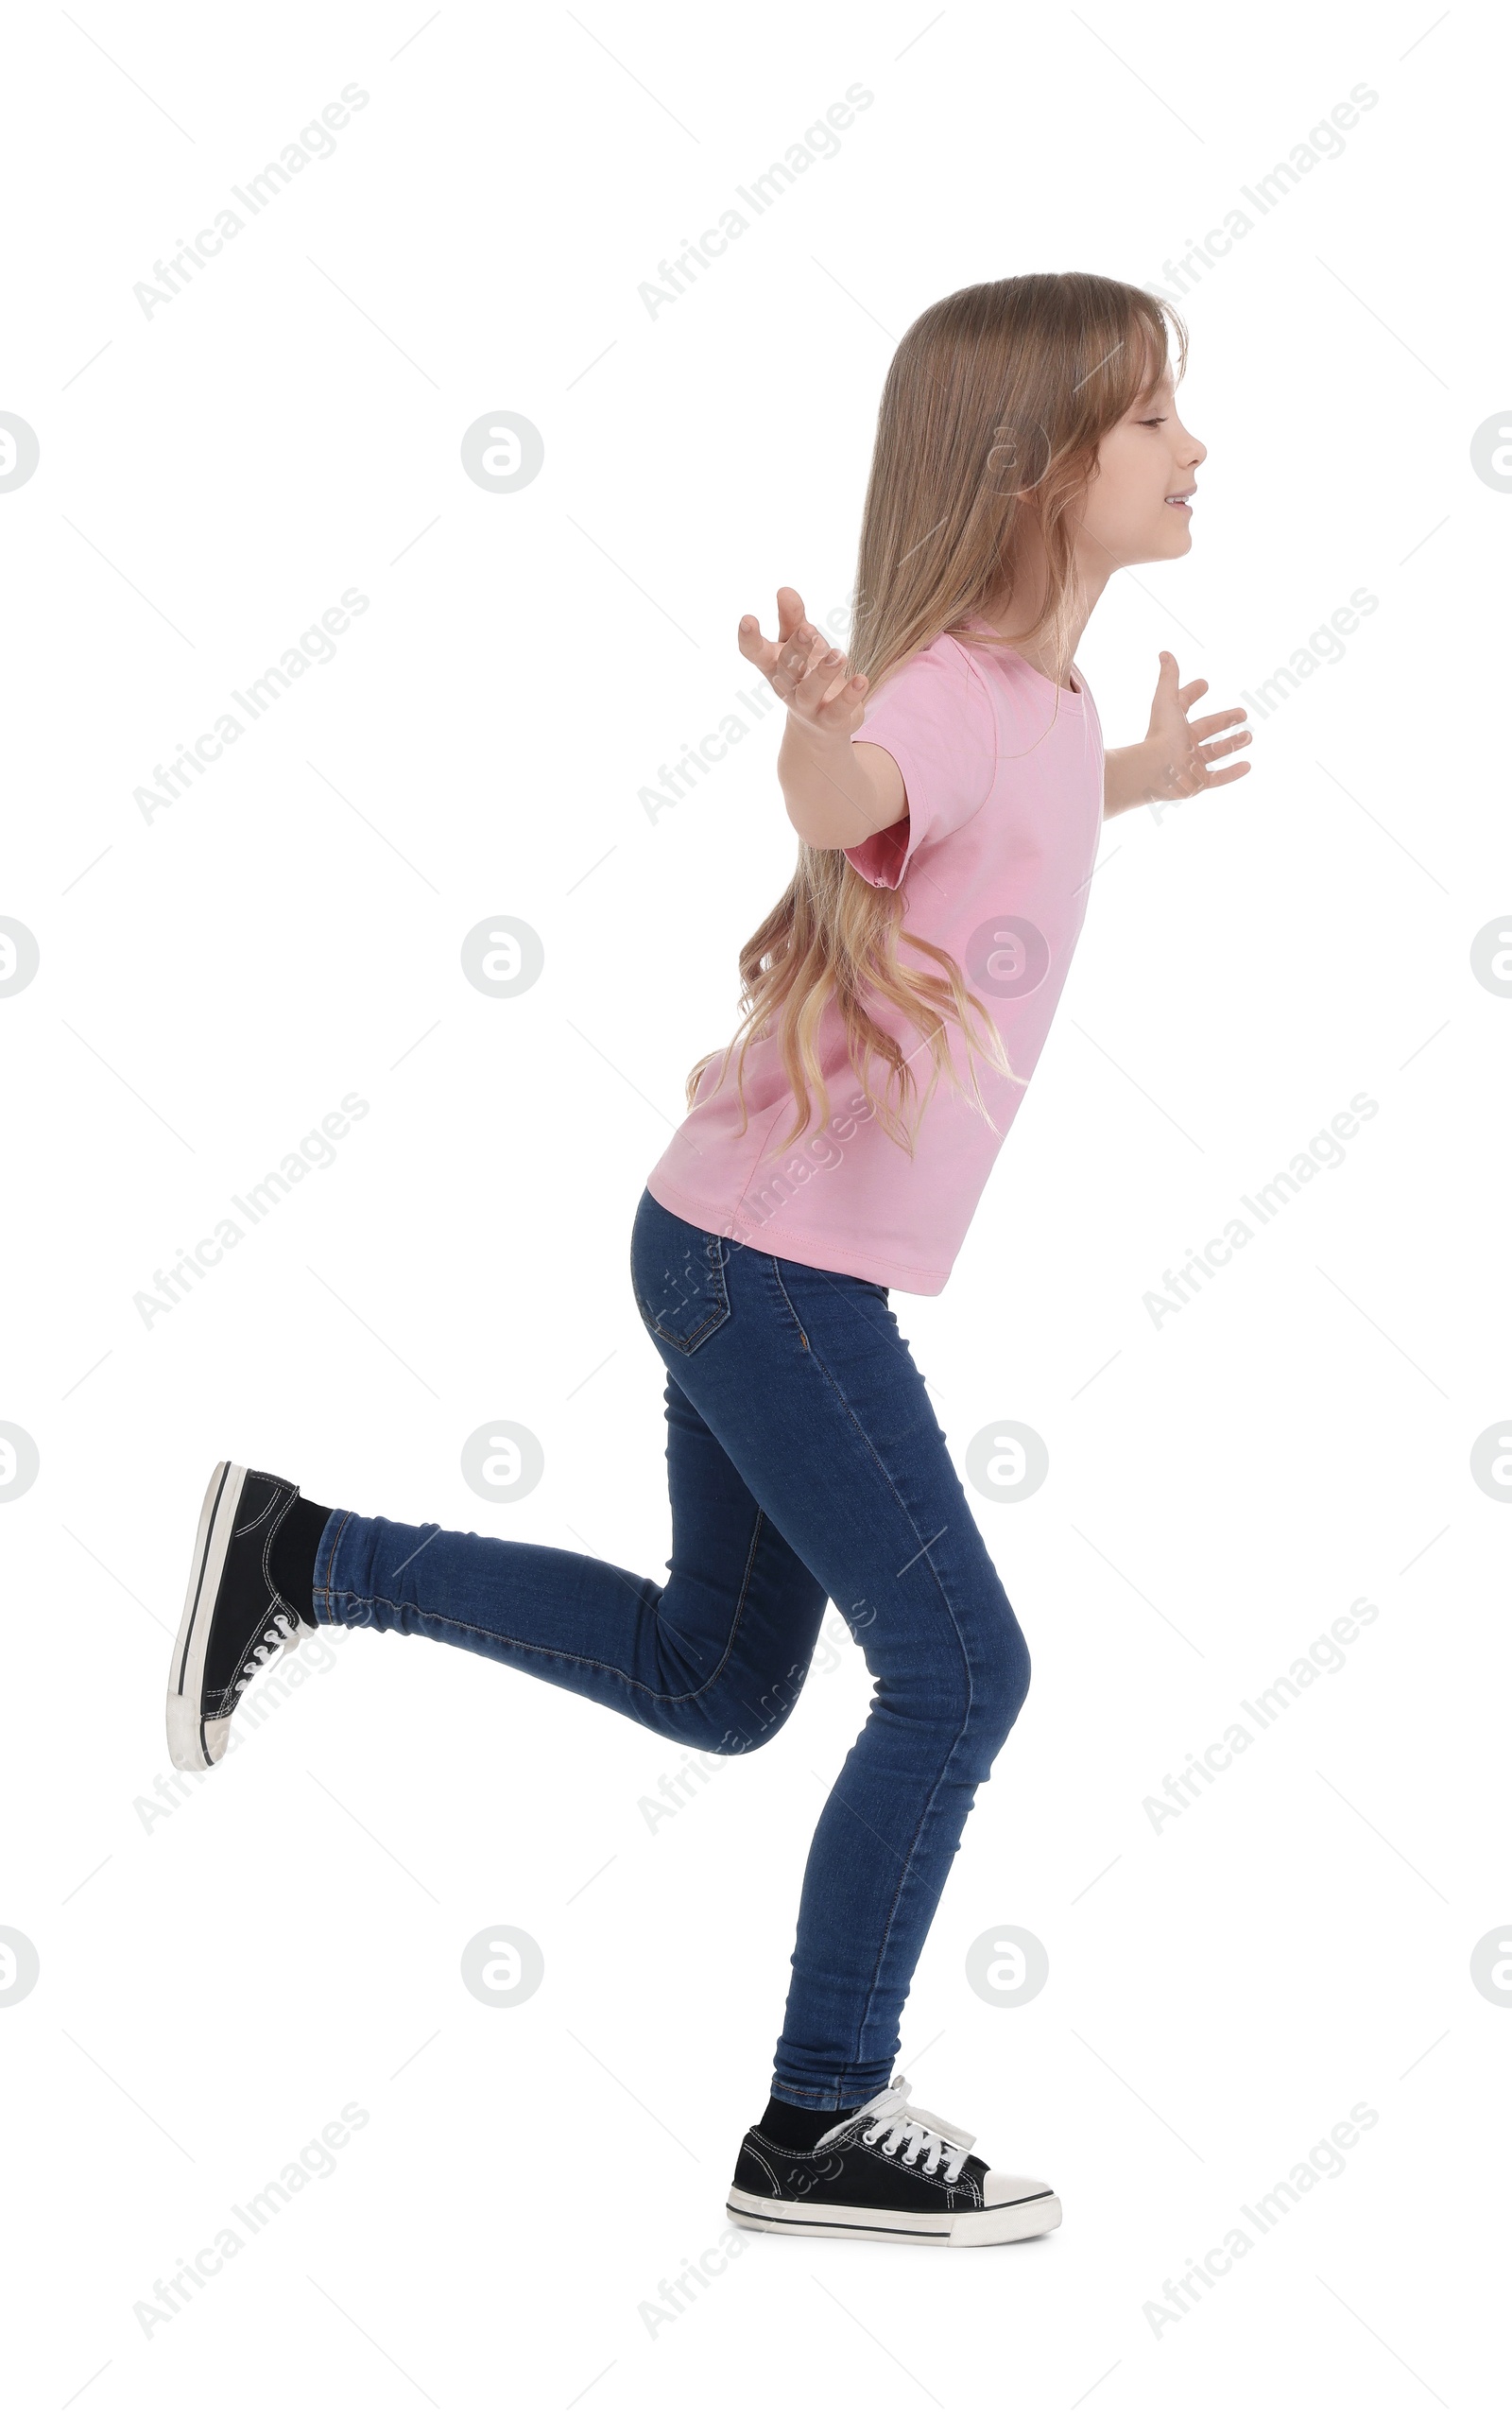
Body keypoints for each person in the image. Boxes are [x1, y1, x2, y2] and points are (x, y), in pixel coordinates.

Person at [165, 271, 1250, 2249]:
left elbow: (998, 814)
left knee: (719, 1675)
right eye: (1154, 418)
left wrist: (1136, 784)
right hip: (766, 1267)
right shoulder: (920, 693)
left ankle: (297, 1550)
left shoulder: (1044, 703)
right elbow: (860, 796)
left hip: (739, 1248)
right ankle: (818, 2111)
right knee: (961, 1669)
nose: (1196, 449)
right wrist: (816, 740)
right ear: (1031, 469)